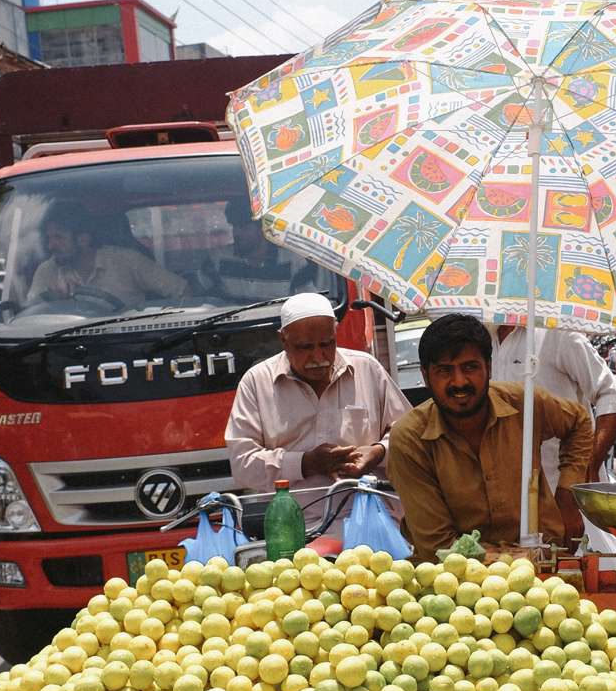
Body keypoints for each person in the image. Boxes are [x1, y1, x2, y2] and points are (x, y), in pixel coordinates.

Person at [387, 314, 593, 556]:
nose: (459, 381)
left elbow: (579, 422)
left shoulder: (524, 403)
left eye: (470, 367)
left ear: (490, 367)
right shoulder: (409, 439)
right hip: (457, 579)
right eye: (444, 370)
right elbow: (440, 547)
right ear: (425, 376)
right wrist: (516, 559)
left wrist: (568, 497)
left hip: (546, 566)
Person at [226, 293, 412, 539]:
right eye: (305, 347)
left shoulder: (367, 368)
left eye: (327, 344)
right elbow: (242, 465)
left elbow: (411, 437)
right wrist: (306, 464)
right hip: (292, 530)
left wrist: (378, 452)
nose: (318, 357)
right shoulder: (257, 382)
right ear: (283, 340)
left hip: (373, 521)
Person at [490, 324, 616, 485]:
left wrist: (590, 466)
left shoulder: (558, 333)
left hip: (562, 489)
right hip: (502, 491)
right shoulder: (481, 336)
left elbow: (612, 395)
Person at [24, 200, 189, 310]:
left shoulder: (127, 261)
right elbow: (28, 319)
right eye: (49, 238)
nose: (50, 245)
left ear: (83, 239)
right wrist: (55, 299)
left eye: (58, 237)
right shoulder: (47, 270)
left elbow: (183, 292)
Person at [212, 196, 326, 300]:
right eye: (233, 226)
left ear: (262, 229)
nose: (235, 233)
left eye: (243, 226)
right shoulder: (220, 257)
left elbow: (312, 302)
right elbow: (195, 290)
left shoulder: (292, 260)